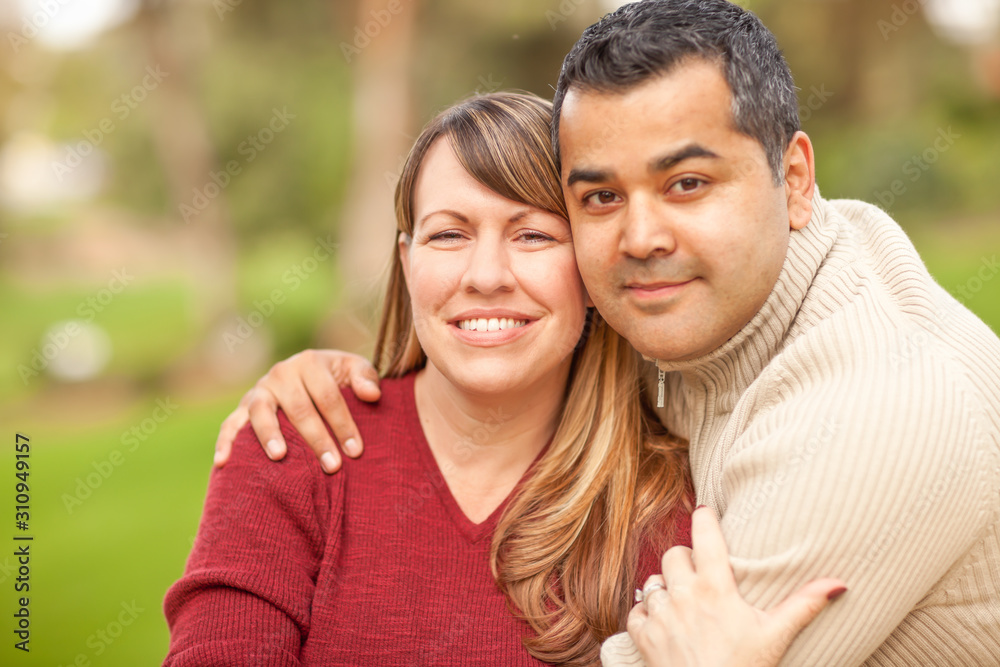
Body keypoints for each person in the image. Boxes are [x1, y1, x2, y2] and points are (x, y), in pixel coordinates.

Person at [216, 1, 1000, 665]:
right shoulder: (698, 316)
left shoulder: (874, 414)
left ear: (793, 180)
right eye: (598, 198)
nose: (641, 236)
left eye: (687, 183)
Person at [165, 92, 841, 667]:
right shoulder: (296, 447)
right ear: (406, 261)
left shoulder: (670, 508)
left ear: (592, 265)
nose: (485, 275)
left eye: (532, 236)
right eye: (449, 235)